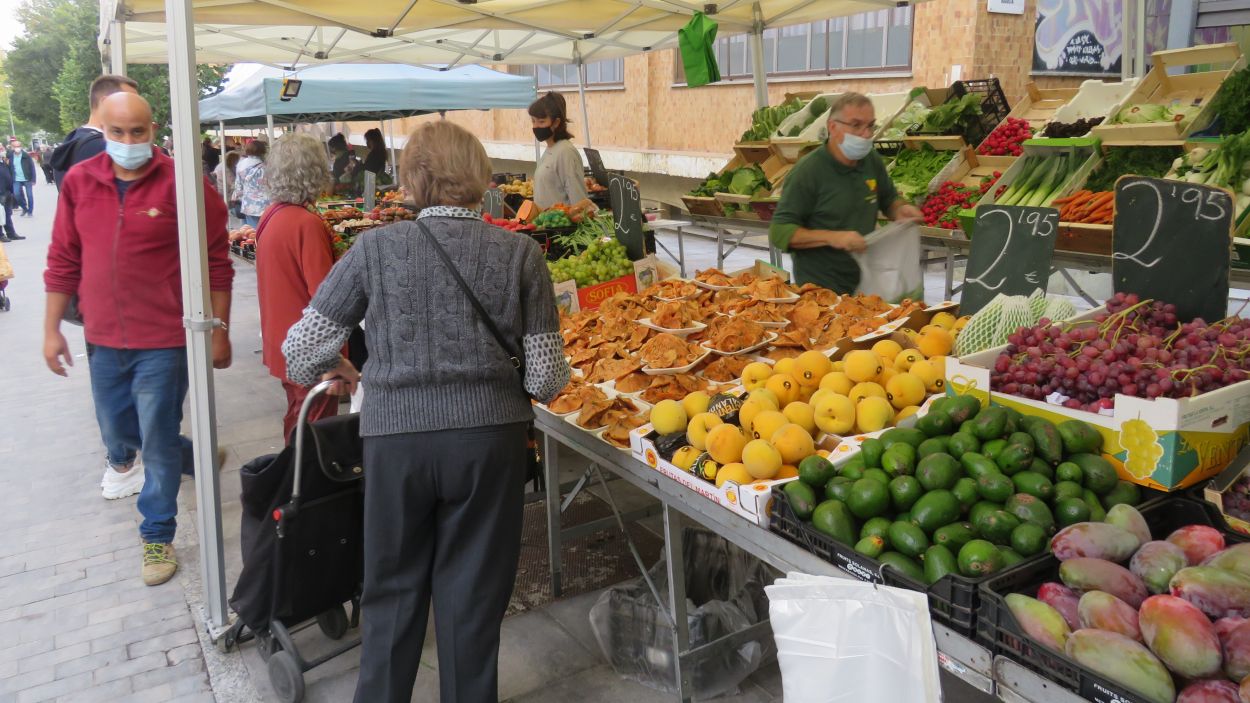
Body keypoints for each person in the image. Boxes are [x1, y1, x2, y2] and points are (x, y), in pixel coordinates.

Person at [282, 120, 569, 703]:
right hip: (489, 443)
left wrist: (340, 370)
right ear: (483, 177)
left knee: (391, 592)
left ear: (411, 180)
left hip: (395, 442)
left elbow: (299, 351)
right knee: (473, 599)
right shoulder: (521, 254)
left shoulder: (375, 248)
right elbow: (544, 378)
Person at [43, 92, 234, 586]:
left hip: (164, 340)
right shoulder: (81, 182)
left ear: (154, 130)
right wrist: (50, 330)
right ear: (100, 131)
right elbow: (63, 258)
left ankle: (157, 534)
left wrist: (219, 328)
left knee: (154, 434)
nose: (129, 142)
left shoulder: (183, 185)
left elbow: (217, 259)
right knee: (120, 436)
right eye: (118, 133)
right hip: (104, 339)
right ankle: (189, 453)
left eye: (139, 131)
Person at [768, 92, 924, 294]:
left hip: (865, 280)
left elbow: (888, 198)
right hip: (820, 288)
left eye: (870, 125)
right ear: (833, 127)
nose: (866, 134)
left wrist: (900, 209)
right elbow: (779, 232)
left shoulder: (871, 160)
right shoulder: (809, 171)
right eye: (856, 125)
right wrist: (832, 237)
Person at [255, 134, 340, 442]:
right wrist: (338, 361)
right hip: (309, 350)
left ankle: (291, 477)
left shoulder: (271, 215)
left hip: (282, 341)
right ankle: (298, 485)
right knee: (314, 433)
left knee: (296, 418)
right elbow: (326, 302)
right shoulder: (306, 223)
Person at [50, 74, 141, 188]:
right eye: (131, 102)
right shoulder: (105, 149)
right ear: (106, 103)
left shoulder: (74, 140)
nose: (138, 108)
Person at [528, 92, 595, 213]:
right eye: (533, 121)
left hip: (561, 229)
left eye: (541, 122)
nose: (536, 126)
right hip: (546, 226)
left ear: (556, 123)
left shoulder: (566, 152)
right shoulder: (550, 149)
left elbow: (579, 200)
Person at [235, 139, 269, 227]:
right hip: (265, 204)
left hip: (247, 203)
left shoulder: (240, 164)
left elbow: (238, 187)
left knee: (250, 232)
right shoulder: (265, 166)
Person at [9, 139, 36, 217]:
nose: (17, 148)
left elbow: (32, 167)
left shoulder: (26, 156)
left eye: (18, 146)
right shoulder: (10, 156)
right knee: (16, 194)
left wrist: (33, 179)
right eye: (15, 146)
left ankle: (30, 211)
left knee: (29, 195)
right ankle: (24, 208)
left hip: (27, 178)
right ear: (12, 147)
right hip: (16, 179)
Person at [0, 152, 22, 242]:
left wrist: (11, 190)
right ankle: (1, 235)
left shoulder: (4, 162)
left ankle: (11, 233)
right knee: (1, 215)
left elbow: (9, 175)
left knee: (8, 214)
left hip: (7, 191)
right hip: (1, 192)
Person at [214, 150, 241, 218]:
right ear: (232, 159)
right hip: (225, 192)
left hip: (221, 190)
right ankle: (234, 211)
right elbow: (233, 183)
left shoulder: (222, 165)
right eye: (236, 160)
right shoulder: (225, 169)